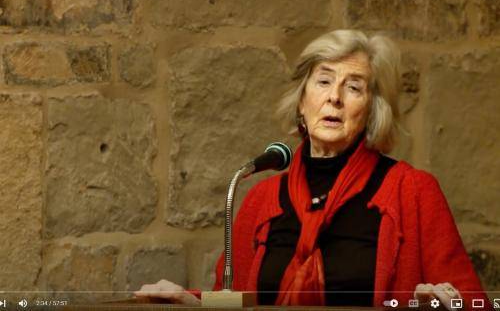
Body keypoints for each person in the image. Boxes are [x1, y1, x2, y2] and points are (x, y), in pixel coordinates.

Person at [135, 30, 490, 310]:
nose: (334, 97)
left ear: (371, 111)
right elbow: (236, 299)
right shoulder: (262, 199)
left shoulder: (412, 191)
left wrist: (444, 303)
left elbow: (473, 303)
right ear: (302, 102)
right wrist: (192, 301)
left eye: (353, 87)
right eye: (323, 81)